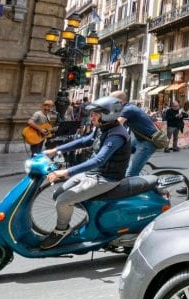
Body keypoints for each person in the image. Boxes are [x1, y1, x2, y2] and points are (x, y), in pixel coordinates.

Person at [39, 96, 131, 249]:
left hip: (106, 178)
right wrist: (57, 150)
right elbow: (84, 141)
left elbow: (99, 160)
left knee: (63, 201)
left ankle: (62, 230)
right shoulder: (103, 128)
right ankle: (86, 212)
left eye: (95, 113)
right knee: (57, 194)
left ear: (107, 114)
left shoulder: (116, 135)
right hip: (93, 173)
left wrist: (66, 172)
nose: (92, 116)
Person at [112, 90, 167, 177]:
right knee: (118, 153)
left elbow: (117, 124)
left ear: (118, 101)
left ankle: (149, 187)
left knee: (130, 174)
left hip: (148, 142)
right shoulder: (126, 108)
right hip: (139, 139)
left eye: (111, 101)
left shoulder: (127, 109)